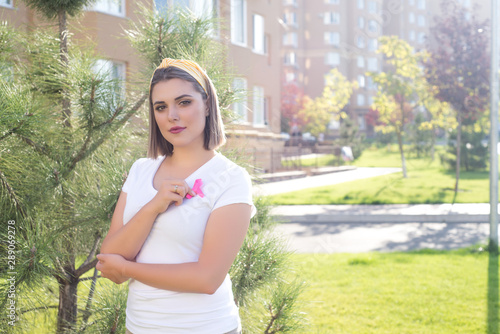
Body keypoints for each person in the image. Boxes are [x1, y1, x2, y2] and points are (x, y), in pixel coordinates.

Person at [96, 58, 256, 334]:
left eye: (183, 102)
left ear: (207, 104)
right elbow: (110, 260)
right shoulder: (140, 170)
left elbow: (207, 279)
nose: (172, 115)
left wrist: (129, 269)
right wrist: (153, 207)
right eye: (161, 107)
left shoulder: (231, 178)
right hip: (139, 328)